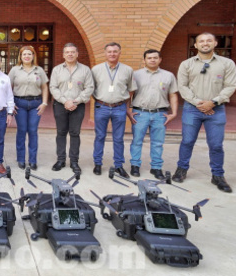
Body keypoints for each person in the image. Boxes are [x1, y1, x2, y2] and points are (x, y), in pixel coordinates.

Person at [172, 33, 236, 193]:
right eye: (201, 41)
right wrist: (199, 103)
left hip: (217, 109)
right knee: (187, 141)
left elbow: (231, 85)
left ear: (215, 43)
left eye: (209, 40)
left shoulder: (227, 63)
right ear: (196, 45)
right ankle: (181, 169)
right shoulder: (186, 64)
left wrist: (213, 102)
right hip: (192, 109)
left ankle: (218, 175)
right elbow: (183, 86)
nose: (205, 43)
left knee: (216, 145)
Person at [127, 49, 178, 179]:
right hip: (140, 113)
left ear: (160, 59)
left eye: (155, 58)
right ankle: (135, 165)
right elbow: (129, 94)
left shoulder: (168, 76)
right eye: (149, 58)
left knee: (157, 142)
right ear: (144, 60)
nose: (152, 60)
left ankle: (156, 168)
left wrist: (174, 113)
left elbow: (173, 95)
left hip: (160, 114)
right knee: (137, 141)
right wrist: (128, 110)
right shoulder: (135, 75)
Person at [91, 42, 136, 177]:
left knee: (118, 138)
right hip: (101, 106)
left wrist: (125, 104)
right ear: (105, 53)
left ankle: (119, 165)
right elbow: (90, 88)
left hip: (119, 107)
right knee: (100, 136)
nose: (112, 54)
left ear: (119, 53)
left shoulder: (127, 70)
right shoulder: (96, 69)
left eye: (115, 51)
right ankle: (98, 164)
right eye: (109, 51)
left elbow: (131, 90)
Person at [49, 43, 94, 174]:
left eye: (72, 52)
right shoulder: (57, 70)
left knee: (75, 133)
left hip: (78, 106)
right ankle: (61, 160)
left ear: (77, 54)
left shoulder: (85, 70)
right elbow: (53, 87)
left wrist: (76, 101)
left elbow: (89, 87)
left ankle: (74, 161)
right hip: (60, 105)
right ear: (63, 55)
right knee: (61, 133)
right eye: (67, 52)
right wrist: (65, 101)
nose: (70, 54)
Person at [8, 45, 49, 170]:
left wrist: (44, 103)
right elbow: (8, 88)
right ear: (20, 56)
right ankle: (21, 159)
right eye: (24, 54)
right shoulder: (14, 70)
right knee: (21, 131)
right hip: (19, 103)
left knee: (32, 131)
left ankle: (32, 160)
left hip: (35, 104)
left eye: (29, 54)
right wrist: (10, 104)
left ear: (33, 56)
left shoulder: (39, 70)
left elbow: (44, 87)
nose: (27, 56)